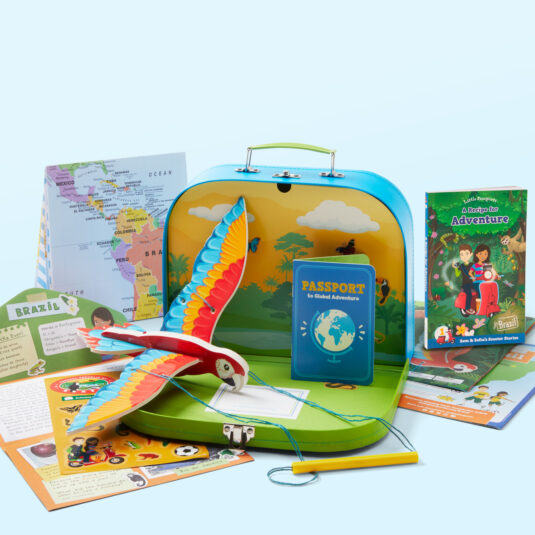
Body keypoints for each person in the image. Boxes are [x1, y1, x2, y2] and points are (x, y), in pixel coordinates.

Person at [453, 244, 475, 315]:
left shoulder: (473, 265)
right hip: (466, 284)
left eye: (466, 253)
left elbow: (477, 273)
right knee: (468, 293)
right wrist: (455, 268)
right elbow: (457, 274)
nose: (464, 256)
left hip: (474, 283)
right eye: (462, 254)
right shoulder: (461, 266)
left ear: (471, 254)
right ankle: (468, 308)